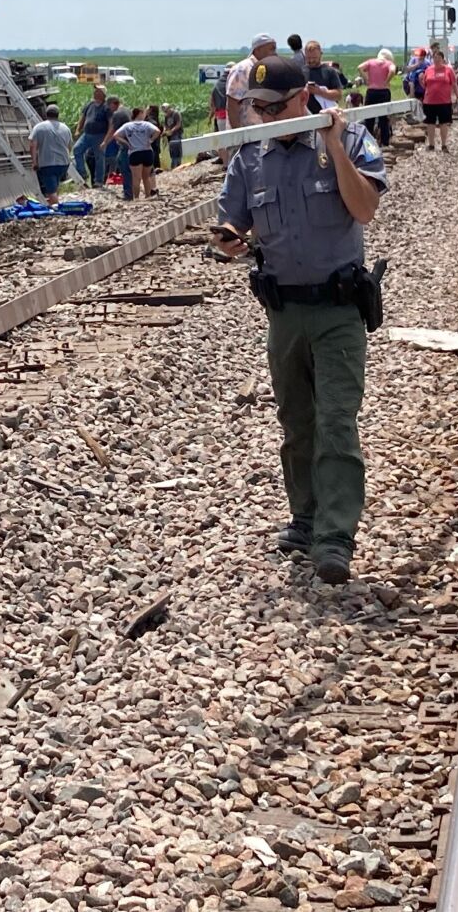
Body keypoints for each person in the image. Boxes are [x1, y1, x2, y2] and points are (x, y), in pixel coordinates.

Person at [212, 56, 389, 585]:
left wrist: (333, 146)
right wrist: (227, 241)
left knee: (336, 419)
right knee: (297, 422)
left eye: (276, 107)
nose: (267, 117)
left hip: (336, 310)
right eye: (258, 109)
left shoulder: (350, 140)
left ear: (306, 94)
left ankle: (335, 536)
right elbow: (229, 226)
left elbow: (364, 209)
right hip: (284, 312)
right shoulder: (250, 159)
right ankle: (305, 517)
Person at [223, 34, 279, 167]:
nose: (275, 53)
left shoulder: (266, 69)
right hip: (245, 137)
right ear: (258, 50)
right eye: (271, 49)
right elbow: (232, 103)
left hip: (263, 134)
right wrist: (238, 136)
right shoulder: (242, 70)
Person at [114, 107, 162, 199]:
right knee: (146, 177)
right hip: (147, 151)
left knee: (136, 178)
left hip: (135, 152)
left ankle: (136, 198)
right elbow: (157, 131)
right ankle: (148, 196)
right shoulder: (146, 124)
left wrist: (127, 143)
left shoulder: (127, 126)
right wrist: (151, 140)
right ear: (140, 113)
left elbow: (116, 135)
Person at [29, 104, 73, 204]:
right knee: (55, 186)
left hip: (47, 163)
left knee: (51, 191)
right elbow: (69, 146)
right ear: (58, 115)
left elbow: (33, 146)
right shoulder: (65, 128)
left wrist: (34, 162)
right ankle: (54, 204)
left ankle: (57, 210)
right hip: (63, 164)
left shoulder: (39, 127)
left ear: (46, 114)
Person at [356, 48, 397, 145]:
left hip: (371, 91)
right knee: (383, 118)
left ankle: (368, 142)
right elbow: (392, 71)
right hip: (384, 92)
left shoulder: (371, 62)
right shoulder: (389, 64)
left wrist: (366, 79)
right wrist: (386, 81)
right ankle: (384, 142)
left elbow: (359, 67)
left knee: (369, 118)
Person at [420, 47, 457, 152]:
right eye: (434, 58)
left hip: (444, 101)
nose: (436, 60)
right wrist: (421, 81)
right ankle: (431, 144)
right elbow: (425, 85)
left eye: (438, 58)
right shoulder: (428, 70)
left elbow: (454, 84)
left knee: (443, 123)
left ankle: (444, 145)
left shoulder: (448, 70)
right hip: (429, 101)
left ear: (442, 59)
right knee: (430, 123)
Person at [74, 86, 111, 186]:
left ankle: (98, 181)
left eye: (97, 91)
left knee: (99, 157)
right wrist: (78, 130)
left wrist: (106, 139)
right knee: (77, 149)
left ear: (102, 94)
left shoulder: (106, 107)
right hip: (87, 134)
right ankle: (82, 173)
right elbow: (83, 118)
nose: (95, 92)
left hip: (99, 135)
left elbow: (111, 123)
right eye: (95, 90)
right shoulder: (90, 104)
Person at [102, 95, 134, 201]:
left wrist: (105, 143)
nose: (109, 109)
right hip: (132, 143)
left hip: (125, 144)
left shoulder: (117, 114)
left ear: (113, 104)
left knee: (124, 167)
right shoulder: (127, 110)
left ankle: (128, 194)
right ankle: (132, 191)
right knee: (128, 168)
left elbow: (112, 130)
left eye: (109, 106)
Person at [303, 41, 346, 112]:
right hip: (306, 116)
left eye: (314, 57)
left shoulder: (330, 71)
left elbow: (338, 95)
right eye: (308, 58)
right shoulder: (301, 71)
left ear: (321, 54)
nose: (311, 60)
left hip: (327, 116)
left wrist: (319, 92)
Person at [162, 103, 184, 170]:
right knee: (172, 150)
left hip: (176, 134)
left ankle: (177, 164)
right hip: (170, 136)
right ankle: (174, 164)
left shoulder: (176, 114)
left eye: (166, 111)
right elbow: (165, 125)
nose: (166, 113)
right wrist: (165, 131)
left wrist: (172, 130)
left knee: (177, 150)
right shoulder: (166, 116)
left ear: (169, 108)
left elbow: (178, 124)